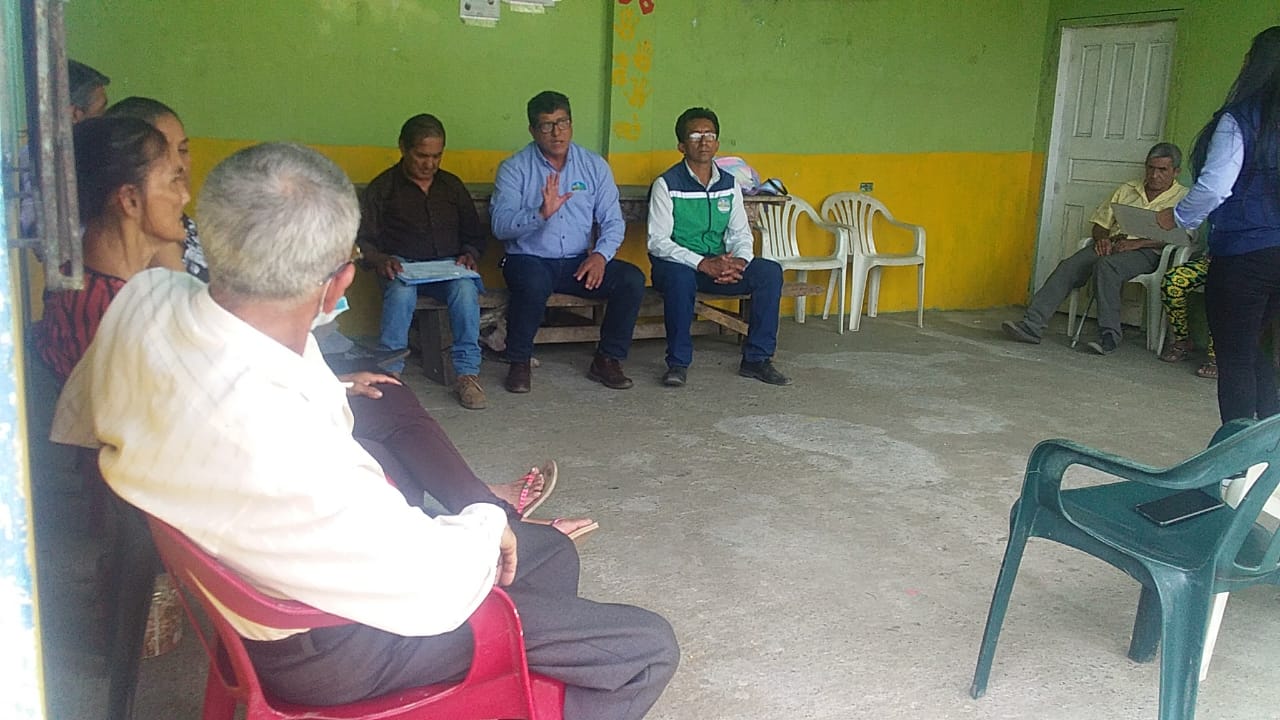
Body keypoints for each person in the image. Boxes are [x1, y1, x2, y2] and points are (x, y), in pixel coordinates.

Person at [50, 143, 676, 717]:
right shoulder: (290, 449)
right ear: (339, 286)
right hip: (331, 648)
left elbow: (84, 417)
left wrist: (487, 528)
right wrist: (487, 523)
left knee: (549, 551)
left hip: (258, 589)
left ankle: (500, 689)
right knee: (645, 648)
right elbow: (429, 581)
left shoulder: (145, 302)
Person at [99, 96, 587, 530]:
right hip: (388, 285)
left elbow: (474, 235)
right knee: (393, 417)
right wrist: (484, 538)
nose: (184, 186)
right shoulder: (151, 301)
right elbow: (231, 373)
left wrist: (327, 384)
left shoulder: (156, 288)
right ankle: (485, 512)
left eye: (184, 157)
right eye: (173, 169)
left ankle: (467, 388)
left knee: (402, 379)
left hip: (433, 281)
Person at [1157, 26, 1280, 422]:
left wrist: (1178, 216)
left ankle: (1238, 454)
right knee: (1257, 349)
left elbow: (1214, 187)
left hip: (1245, 255)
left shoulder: (1241, 118)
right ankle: (1271, 448)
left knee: (1235, 357)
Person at [491, 90, 646, 393]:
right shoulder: (514, 168)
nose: (556, 132)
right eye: (547, 125)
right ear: (532, 130)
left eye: (562, 122)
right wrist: (540, 214)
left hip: (578, 262)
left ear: (571, 124)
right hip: (529, 259)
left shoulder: (594, 165)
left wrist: (600, 256)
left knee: (631, 279)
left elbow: (613, 221)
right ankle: (519, 361)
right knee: (533, 282)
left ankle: (607, 359)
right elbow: (499, 226)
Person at [33, 115, 188, 383]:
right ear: (130, 200)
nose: (184, 196)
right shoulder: (110, 312)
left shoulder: (83, 283)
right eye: (173, 181)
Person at [647, 107, 790, 387]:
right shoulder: (667, 184)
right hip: (679, 266)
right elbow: (657, 241)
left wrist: (739, 262)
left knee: (769, 272)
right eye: (695, 135)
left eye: (710, 135)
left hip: (720, 265)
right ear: (681, 145)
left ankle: (757, 359)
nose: (704, 141)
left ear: (717, 143)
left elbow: (740, 233)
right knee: (679, 279)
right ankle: (678, 363)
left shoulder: (729, 184)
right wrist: (702, 263)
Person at [1002, 142, 1188, 355]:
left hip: (1148, 251)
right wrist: (1103, 239)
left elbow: (1183, 238)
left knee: (1107, 267)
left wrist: (1139, 243)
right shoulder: (1127, 189)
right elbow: (1100, 224)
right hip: (1115, 243)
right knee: (1069, 266)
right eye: (1151, 168)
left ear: (1176, 171)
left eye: (1162, 170)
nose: (1155, 175)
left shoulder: (1184, 197)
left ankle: (1109, 336)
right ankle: (1032, 325)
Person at [357, 114, 489, 409]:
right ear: (403, 148)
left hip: (448, 269)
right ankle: (389, 372)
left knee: (465, 289)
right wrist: (381, 259)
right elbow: (364, 240)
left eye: (436, 156)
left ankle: (467, 374)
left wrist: (470, 253)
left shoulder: (451, 187)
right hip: (402, 269)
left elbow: (474, 234)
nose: (429, 164)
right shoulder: (383, 188)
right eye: (421, 156)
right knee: (401, 293)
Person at [19, 59, 112, 238]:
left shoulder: (87, 155)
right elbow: (37, 229)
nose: (106, 119)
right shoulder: (37, 158)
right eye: (101, 110)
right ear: (75, 114)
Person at [1158, 256, 1217, 378]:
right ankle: (1182, 340)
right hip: (1213, 261)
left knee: (1225, 290)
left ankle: (1217, 356)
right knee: (1171, 282)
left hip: (1243, 265)